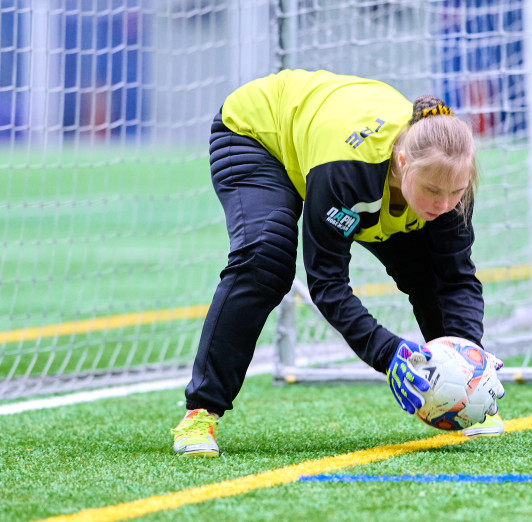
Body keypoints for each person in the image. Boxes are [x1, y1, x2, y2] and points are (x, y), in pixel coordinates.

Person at [171, 69, 505, 457]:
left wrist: (472, 363)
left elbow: (457, 278)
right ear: (402, 161)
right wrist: (388, 353)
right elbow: (327, 284)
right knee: (265, 260)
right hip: (257, 133)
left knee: (430, 270)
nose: (444, 204)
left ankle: (470, 403)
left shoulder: (446, 179)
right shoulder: (348, 173)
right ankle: (201, 413)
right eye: (432, 191)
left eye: (457, 192)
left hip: (327, 150)